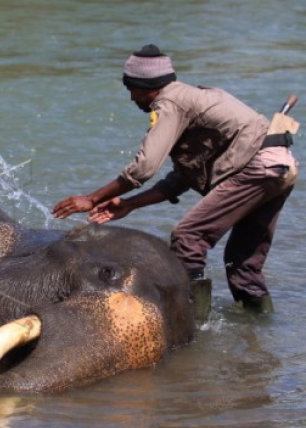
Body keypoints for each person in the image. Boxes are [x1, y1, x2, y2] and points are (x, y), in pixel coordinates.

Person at [52, 44, 298, 317]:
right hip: (279, 167)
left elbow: (144, 167)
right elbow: (182, 178)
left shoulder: (169, 103)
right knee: (242, 264)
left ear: (148, 87)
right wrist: (131, 204)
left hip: (255, 168)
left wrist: (92, 198)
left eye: (132, 89)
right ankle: (262, 332)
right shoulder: (190, 99)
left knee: (188, 237)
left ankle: (192, 328)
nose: (132, 98)